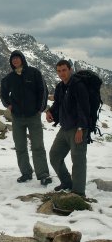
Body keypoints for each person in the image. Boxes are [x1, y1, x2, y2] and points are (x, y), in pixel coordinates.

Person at [0, 50, 52, 185]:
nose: (15, 61)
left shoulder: (34, 73)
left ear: (22, 59)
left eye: (17, 58)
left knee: (38, 146)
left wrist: (40, 109)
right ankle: (26, 173)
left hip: (33, 116)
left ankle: (43, 174)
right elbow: (3, 93)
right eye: (13, 59)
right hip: (17, 118)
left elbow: (43, 90)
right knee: (20, 147)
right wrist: (8, 105)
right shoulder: (10, 77)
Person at [46, 59, 90, 196]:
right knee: (54, 155)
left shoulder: (78, 85)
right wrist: (50, 112)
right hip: (64, 128)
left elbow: (84, 108)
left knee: (78, 160)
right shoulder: (60, 87)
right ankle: (66, 182)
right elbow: (58, 104)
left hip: (77, 129)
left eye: (64, 70)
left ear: (70, 69)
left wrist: (81, 129)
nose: (61, 74)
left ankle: (78, 192)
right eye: (59, 71)